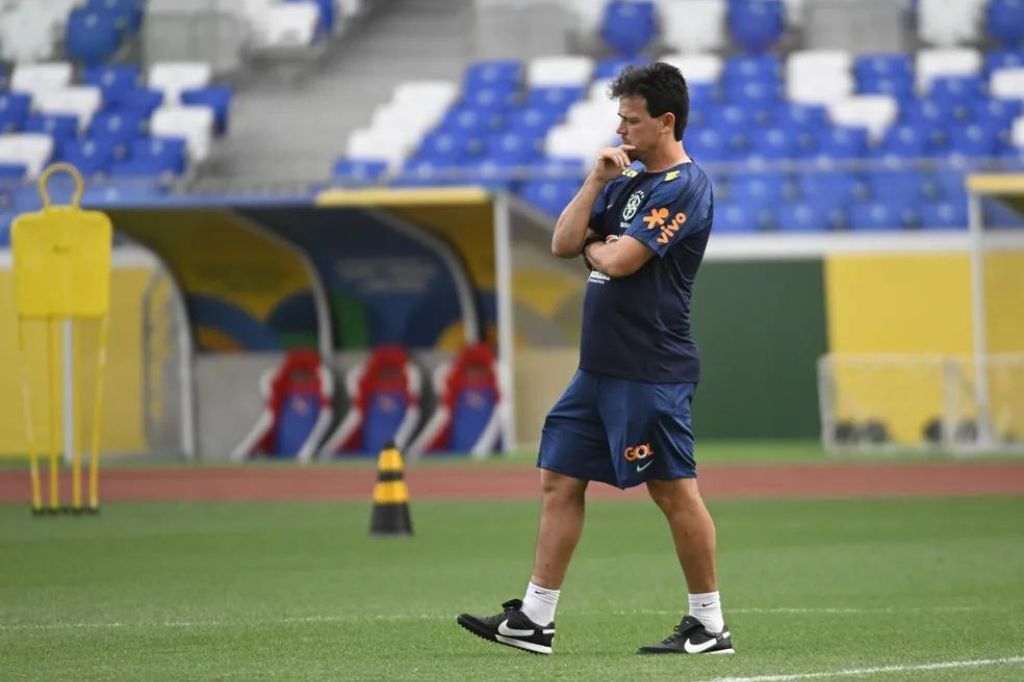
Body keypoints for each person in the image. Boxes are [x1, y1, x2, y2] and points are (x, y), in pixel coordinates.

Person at [456, 62, 732, 657]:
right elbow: (563, 244)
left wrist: (597, 248)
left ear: (665, 121)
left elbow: (620, 261)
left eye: (631, 120)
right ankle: (535, 618)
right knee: (558, 480)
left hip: (650, 369)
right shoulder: (627, 183)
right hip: (599, 368)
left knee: (674, 493)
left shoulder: (686, 185)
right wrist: (595, 184)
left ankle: (709, 624)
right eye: (619, 118)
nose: (621, 129)